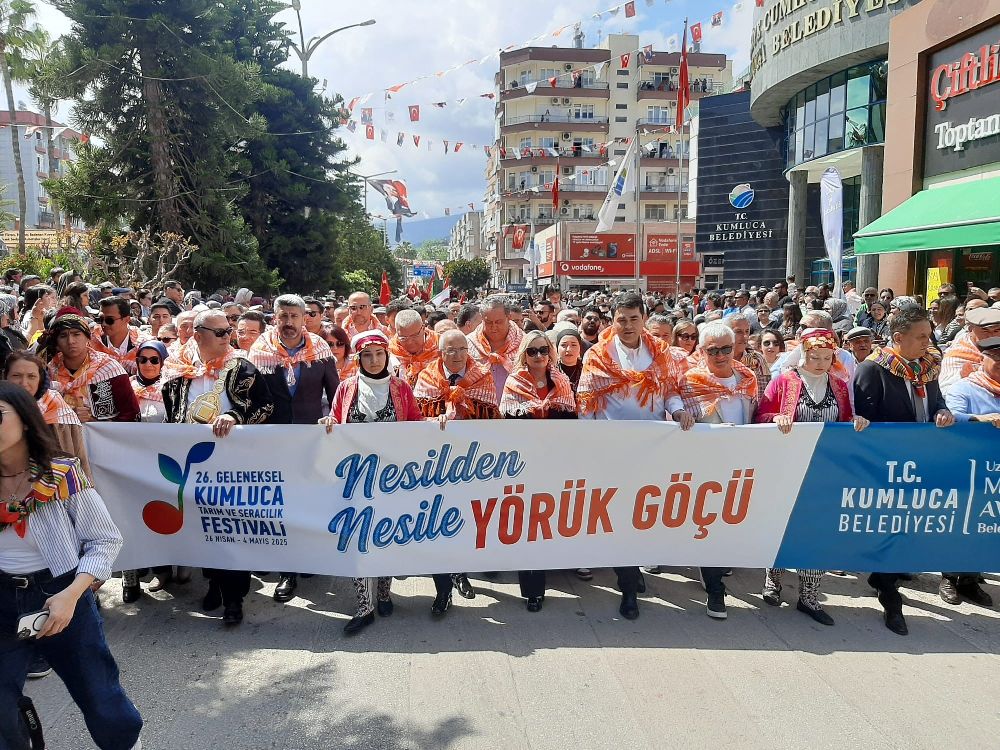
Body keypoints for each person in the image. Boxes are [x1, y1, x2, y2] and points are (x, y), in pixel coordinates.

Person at [0, 382, 144, 750]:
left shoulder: (60, 473)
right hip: (2, 596)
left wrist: (72, 594)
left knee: (99, 695)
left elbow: (104, 540)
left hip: (62, 591)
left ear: (26, 421)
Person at [161, 310, 276, 626]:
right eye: (221, 332)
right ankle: (214, 582)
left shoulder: (242, 367)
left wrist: (235, 416)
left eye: (229, 331)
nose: (229, 337)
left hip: (233, 465)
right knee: (203, 526)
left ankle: (234, 598)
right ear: (198, 335)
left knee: (231, 529)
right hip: (193, 463)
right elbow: (170, 412)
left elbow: (266, 405)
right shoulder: (177, 367)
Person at [577, 293, 687, 620]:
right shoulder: (598, 355)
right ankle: (627, 586)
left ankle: (633, 567)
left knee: (644, 512)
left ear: (644, 319)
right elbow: (586, 401)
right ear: (612, 321)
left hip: (653, 445)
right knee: (619, 515)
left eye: (633, 319)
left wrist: (678, 411)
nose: (627, 326)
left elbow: (670, 390)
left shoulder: (660, 352)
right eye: (621, 320)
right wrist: (593, 442)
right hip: (612, 448)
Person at [755, 329, 869, 625]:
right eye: (815, 357)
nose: (820, 363)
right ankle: (773, 580)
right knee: (782, 525)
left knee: (817, 530)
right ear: (803, 355)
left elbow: (845, 419)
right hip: (786, 468)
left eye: (827, 358)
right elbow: (760, 415)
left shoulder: (839, 385)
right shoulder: (784, 381)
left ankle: (809, 595)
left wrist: (856, 421)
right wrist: (775, 418)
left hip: (824, 470)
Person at [853, 306, 954, 635]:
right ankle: (888, 593)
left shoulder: (929, 365)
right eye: (921, 336)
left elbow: (937, 401)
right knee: (891, 526)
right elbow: (865, 422)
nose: (928, 341)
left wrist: (942, 412)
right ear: (898, 337)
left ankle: (886, 575)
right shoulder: (872, 369)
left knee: (910, 524)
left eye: (929, 335)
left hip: (923, 461)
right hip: (888, 466)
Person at [319, 331, 422, 634]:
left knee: (385, 534)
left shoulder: (401, 388)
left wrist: (437, 425)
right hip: (355, 478)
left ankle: (384, 592)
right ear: (358, 358)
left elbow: (416, 425)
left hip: (391, 478)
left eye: (379, 354)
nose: (374, 360)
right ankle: (364, 606)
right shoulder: (346, 388)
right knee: (358, 538)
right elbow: (335, 421)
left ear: (387, 356)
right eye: (367, 355)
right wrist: (329, 423)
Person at [248, 294, 337, 602]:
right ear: (275, 318)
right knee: (283, 506)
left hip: (312, 440)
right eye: (283, 316)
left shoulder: (321, 349)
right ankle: (289, 571)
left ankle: (310, 557)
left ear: (304, 319)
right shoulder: (259, 350)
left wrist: (335, 422)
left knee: (310, 503)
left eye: (294, 316)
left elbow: (335, 394)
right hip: (274, 441)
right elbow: (250, 397)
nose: (288, 322)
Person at [671, 322, 758, 620]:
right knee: (709, 526)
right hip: (706, 468)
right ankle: (715, 590)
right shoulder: (690, 381)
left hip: (742, 466)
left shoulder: (747, 378)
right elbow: (672, 402)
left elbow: (758, 416)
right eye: (713, 350)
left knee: (729, 526)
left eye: (725, 349)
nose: (720, 356)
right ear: (702, 350)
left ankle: (715, 567)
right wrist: (679, 413)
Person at [413, 329, 500, 615]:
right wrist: (433, 420)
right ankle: (443, 590)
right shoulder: (427, 377)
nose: (458, 355)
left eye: (462, 349)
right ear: (440, 352)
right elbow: (416, 417)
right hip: (436, 463)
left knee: (466, 520)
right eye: (451, 350)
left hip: (471, 462)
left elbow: (491, 417)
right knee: (439, 523)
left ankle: (461, 571)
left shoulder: (482, 376)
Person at [499, 330, 576, 612]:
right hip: (524, 464)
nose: (539, 356)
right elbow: (506, 423)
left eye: (543, 350)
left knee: (547, 523)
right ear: (524, 355)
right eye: (532, 351)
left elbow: (571, 421)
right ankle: (532, 590)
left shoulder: (562, 381)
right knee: (527, 525)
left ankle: (549, 575)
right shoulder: (514, 382)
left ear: (550, 353)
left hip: (554, 463)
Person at [42, 311, 140, 424]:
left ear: (88, 338)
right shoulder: (48, 371)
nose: (70, 341)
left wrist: (93, 421)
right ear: (56, 344)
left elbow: (132, 415)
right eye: (63, 336)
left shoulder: (109, 369)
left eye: (76, 334)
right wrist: (66, 414)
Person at [3, 352, 90, 477]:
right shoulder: (3, 406)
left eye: (31, 376)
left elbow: (67, 462)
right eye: (16, 375)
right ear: (5, 377)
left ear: (40, 379)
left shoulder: (56, 409)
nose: (24, 383)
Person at [467, 296, 524, 397]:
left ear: (509, 317)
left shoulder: (524, 343)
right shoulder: (469, 343)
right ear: (482, 318)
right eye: (488, 322)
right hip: (478, 403)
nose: (494, 327)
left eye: (499, 322)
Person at [940, 307, 1000, 394]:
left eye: (996, 330)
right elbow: (948, 391)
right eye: (985, 330)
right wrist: (977, 375)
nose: (991, 336)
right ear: (971, 329)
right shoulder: (956, 355)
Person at [93, 296, 151, 375]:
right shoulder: (92, 342)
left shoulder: (143, 344)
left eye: (110, 320)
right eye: (100, 319)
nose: (104, 324)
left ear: (126, 320)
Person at [388, 308, 440, 387]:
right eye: (403, 338)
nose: (410, 342)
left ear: (423, 328)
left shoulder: (439, 345)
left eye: (414, 336)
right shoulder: (390, 351)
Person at [725, 313, 770, 390]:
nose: (745, 336)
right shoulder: (718, 357)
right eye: (738, 332)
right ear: (727, 333)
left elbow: (764, 391)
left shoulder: (756, 359)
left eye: (747, 331)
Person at [556, 328, 585, 392]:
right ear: (557, 348)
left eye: (573, 345)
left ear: (580, 348)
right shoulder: (551, 371)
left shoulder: (587, 370)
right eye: (564, 345)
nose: (569, 349)